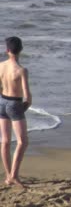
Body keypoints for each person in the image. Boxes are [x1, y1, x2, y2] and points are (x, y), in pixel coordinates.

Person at [0, 37, 31, 188]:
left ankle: (7, 176)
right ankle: (14, 175)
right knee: (22, 141)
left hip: (2, 102)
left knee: (5, 141)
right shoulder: (21, 70)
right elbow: (27, 95)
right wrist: (25, 106)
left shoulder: (1, 66)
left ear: (7, 51)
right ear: (21, 50)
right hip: (15, 103)